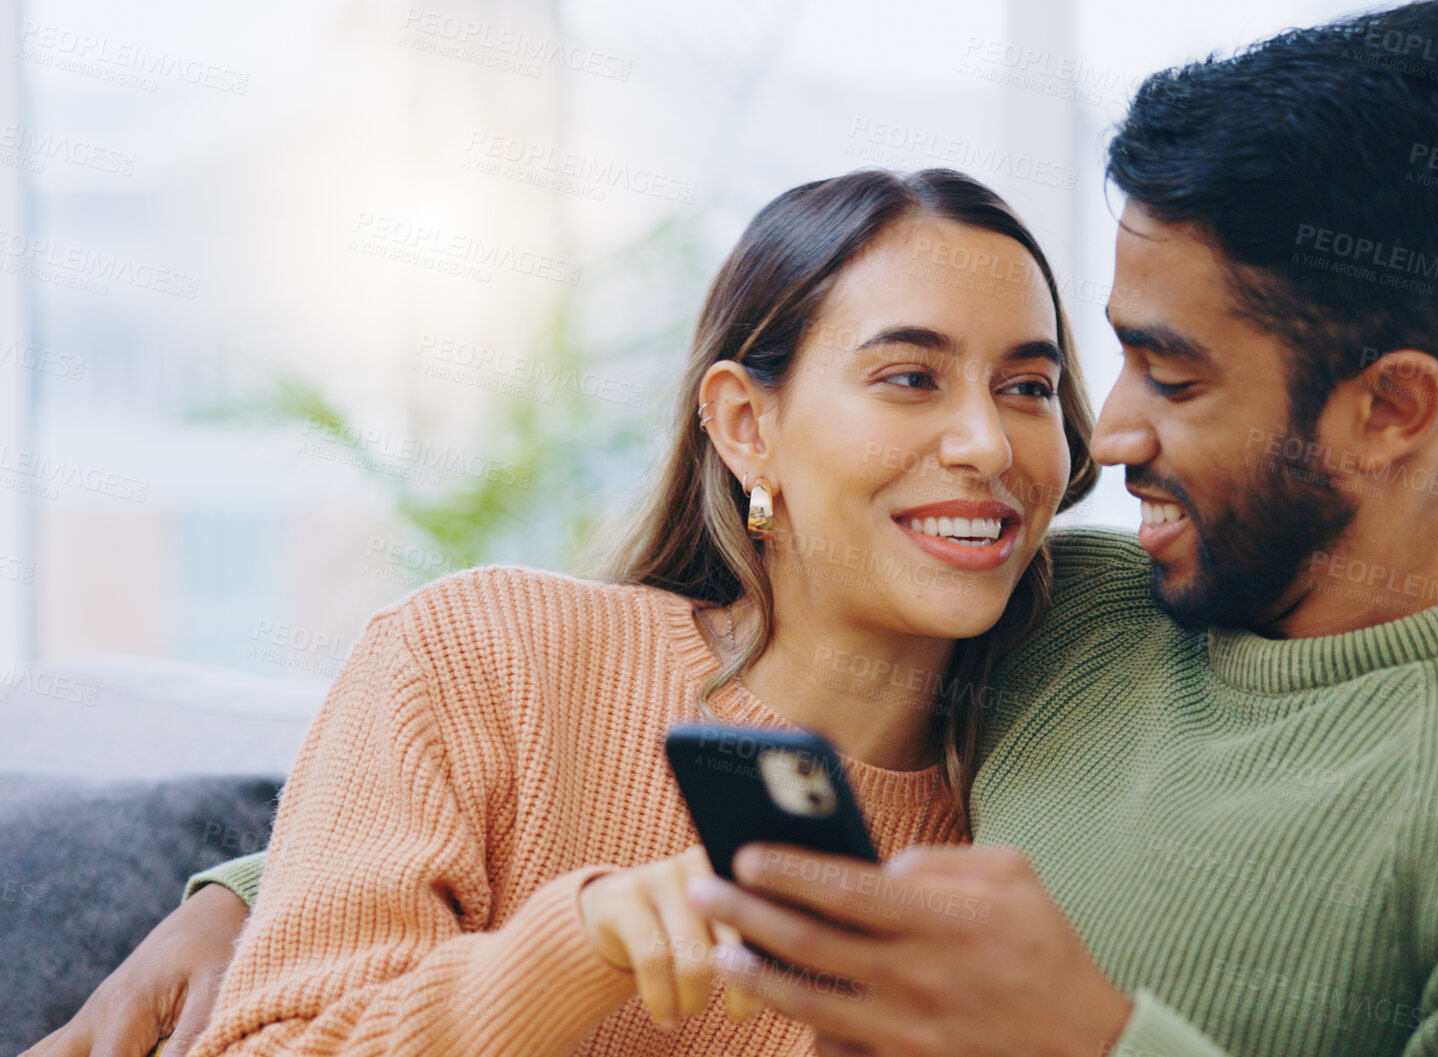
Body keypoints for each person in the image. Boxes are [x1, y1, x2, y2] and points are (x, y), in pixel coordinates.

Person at [33, 3, 1438, 1057]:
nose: (1080, 447)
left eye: (1154, 377)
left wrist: (1093, 1041)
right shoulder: (1098, 614)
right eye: (1099, 366)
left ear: (1392, 408)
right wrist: (252, 885)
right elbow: (643, 705)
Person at [22, 166, 1096, 1057]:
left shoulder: (1039, 821)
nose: (988, 446)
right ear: (744, 425)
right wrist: (571, 948)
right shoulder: (480, 656)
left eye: (1027, 387)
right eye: (910, 377)